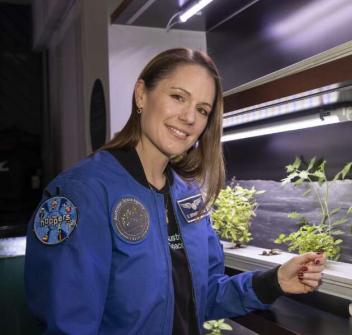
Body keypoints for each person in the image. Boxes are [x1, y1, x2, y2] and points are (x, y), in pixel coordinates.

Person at [25, 48, 326, 335]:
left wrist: (273, 282)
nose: (189, 118)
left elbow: (206, 296)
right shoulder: (83, 193)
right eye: (178, 97)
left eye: (202, 110)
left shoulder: (188, 197)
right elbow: (69, 325)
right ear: (142, 94)